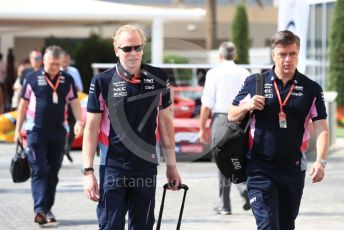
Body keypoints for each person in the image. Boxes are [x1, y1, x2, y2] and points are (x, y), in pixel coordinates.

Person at [82, 24, 181, 230]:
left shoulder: (159, 77)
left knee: (143, 226)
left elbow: (165, 122)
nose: (133, 53)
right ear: (116, 50)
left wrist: (171, 165)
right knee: (110, 225)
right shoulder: (102, 81)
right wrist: (88, 172)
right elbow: (91, 128)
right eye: (127, 48)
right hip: (113, 166)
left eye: (138, 47)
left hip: (145, 166)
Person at [228, 30, 329, 229]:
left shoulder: (311, 89)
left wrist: (321, 161)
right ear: (273, 55)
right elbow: (231, 113)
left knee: (285, 226)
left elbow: (322, 128)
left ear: (298, 54)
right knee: (268, 225)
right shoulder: (256, 82)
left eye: (292, 54)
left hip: (293, 168)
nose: (287, 60)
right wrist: (247, 106)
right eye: (282, 54)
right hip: (260, 168)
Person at [14, 45, 84, 226]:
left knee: (53, 174)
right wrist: (17, 131)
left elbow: (74, 102)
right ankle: (39, 210)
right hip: (35, 132)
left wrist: (79, 121)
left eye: (57, 64)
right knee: (39, 170)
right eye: (51, 63)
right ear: (44, 61)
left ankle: (47, 209)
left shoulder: (66, 79)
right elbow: (22, 106)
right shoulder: (32, 78)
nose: (54, 67)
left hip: (58, 132)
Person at [199, 42, 251, 215]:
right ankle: (242, 188)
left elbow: (206, 105)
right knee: (238, 157)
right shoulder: (245, 72)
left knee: (222, 160)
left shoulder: (213, 73)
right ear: (235, 55)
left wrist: (201, 128)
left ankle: (226, 204)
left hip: (221, 119)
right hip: (242, 119)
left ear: (220, 56)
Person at [61, 51, 83, 162]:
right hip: (60, 103)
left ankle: (67, 147)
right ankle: (61, 148)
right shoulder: (57, 71)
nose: (65, 61)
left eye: (67, 59)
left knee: (74, 124)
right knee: (61, 126)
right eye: (63, 59)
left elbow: (80, 87)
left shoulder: (74, 71)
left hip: (72, 102)